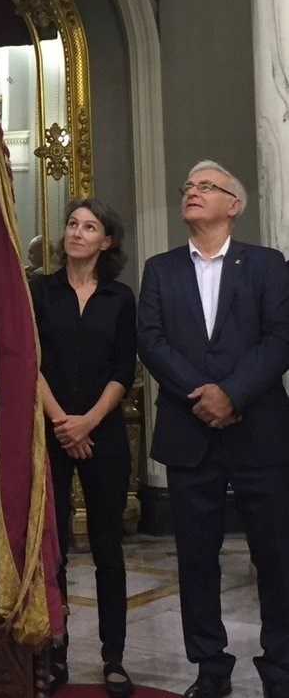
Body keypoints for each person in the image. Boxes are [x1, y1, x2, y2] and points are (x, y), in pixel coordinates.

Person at [138, 159, 289, 698]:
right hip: (189, 432)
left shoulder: (269, 266)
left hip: (260, 433)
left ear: (234, 204)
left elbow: (279, 339)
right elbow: (151, 341)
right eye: (188, 185)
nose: (192, 193)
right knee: (196, 560)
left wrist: (234, 394)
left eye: (206, 186)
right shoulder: (160, 269)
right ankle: (210, 667)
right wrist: (203, 394)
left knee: (275, 554)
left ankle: (281, 667)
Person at [30, 198, 136, 698]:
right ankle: (56, 653)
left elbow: (124, 370)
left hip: (105, 433)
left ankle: (114, 657)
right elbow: (28, 362)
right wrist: (61, 423)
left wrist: (88, 421)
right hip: (50, 433)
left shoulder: (120, 297)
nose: (76, 232)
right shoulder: (40, 292)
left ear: (106, 241)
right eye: (72, 223)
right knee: (52, 552)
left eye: (89, 226)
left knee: (107, 549)